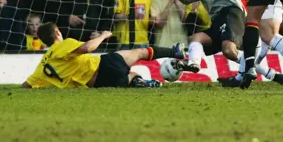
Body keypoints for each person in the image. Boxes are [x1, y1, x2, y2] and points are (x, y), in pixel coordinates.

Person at [21, 22, 184, 89]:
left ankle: (141, 82)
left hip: (99, 83)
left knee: (132, 75)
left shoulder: (42, 66)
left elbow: (26, 86)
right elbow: (87, 48)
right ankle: (174, 52)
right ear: (57, 32)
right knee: (140, 52)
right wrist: (103, 35)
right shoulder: (63, 45)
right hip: (105, 64)